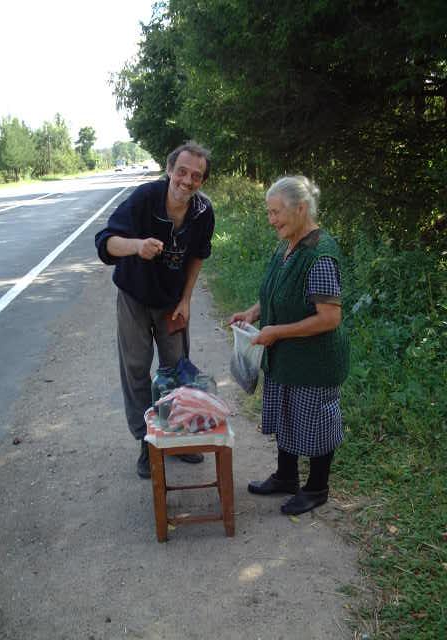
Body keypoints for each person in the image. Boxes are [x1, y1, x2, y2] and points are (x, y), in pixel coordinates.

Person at [229, 175, 349, 515]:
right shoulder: (286, 244)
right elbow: (274, 290)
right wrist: (253, 312)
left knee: (316, 421)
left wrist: (276, 332)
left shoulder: (320, 255)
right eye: (269, 213)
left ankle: (317, 488)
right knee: (286, 412)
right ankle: (285, 477)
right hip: (285, 355)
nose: (272, 220)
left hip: (315, 361)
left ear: (301, 208)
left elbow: (329, 318)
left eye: (276, 212)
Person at [95, 141, 214, 479]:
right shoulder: (145, 198)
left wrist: (187, 299)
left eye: (196, 176)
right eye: (182, 172)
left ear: (202, 181)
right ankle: (147, 442)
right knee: (135, 368)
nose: (187, 181)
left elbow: (197, 256)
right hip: (134, 296)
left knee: (177, 370)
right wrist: (137, 246)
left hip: (171, 302)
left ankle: (178, 437)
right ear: (169, 170)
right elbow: (105, 242)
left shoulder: (203, 212)